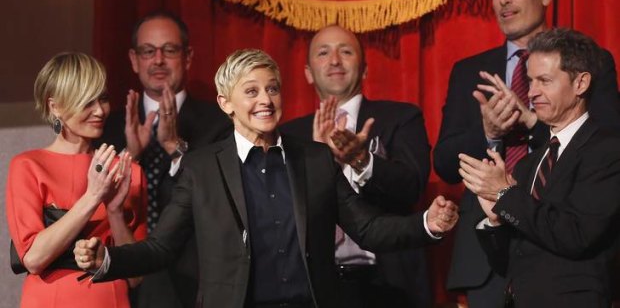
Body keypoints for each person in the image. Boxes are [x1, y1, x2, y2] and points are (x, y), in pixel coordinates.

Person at [74, 49, 458, 308]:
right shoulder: (202, 168)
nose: (266, 100)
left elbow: (369, 228)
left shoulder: (315, 158)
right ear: (226, 103)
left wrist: (428, 223)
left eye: (273, 89)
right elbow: (161, 247)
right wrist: (106, 259)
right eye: (252, 91)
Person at [434, 0, 620, 306]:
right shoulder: (468, 71)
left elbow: (601, 143)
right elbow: (445, 161)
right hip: (492, 253)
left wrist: (532, 123)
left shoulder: (592, 62)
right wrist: (489, 132)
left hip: (568, 264)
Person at [459, 28, 620, 307]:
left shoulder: (608, 151)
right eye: (530, 81)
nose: (532, 93)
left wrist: (506, 194)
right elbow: (509, 262)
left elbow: (576, 235)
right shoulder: (529, 163)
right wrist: (496, 220)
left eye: (544, 81)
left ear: (581, 83)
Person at [280, 25, 432, 307]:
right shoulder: (287, 136)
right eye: (323, 53)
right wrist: (317, 161)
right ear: (308, 73)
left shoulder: (401, 117)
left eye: (346, 51)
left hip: (388, 283)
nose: (335, 60)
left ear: (364, 70)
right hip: (313, 286)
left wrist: (363, 160)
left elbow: (411, 187)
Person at [97, 11, 232, 307]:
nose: (158, 60)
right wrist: (131, 155)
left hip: (195, 284)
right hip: (120, 283)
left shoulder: (218, 123)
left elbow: (221, 198)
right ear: (134, 60)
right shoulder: (105, 128)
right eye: (148, 51)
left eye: (169, 50)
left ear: (187, 57)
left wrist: (175, 148)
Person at [6, 52, 147, 308]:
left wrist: (114, 212)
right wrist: (93, 196)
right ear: (55, 106)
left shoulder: (128, 170)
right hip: (48, 300)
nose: (100, 111)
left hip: (111, 300)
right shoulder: (28, 166)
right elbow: (34, 258)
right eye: (86, 102)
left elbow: (136, 277)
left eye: (103, 99)